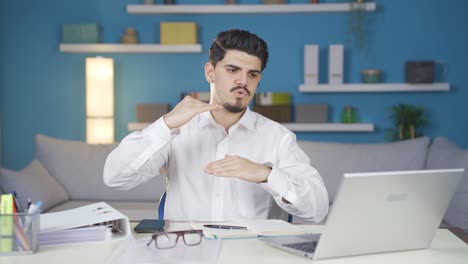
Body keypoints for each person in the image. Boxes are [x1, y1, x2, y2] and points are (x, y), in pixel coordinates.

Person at [103, 29, 329, 222]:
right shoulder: (177, 130)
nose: (243, 81)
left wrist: (265, 174)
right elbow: (115, 177)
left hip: (248, 252)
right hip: (183, 252)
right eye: (232, 70)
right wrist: (166, 123)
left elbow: (317, 210)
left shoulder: (278, 138)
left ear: (258, 81)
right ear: (210, 72)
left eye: (252, 74)